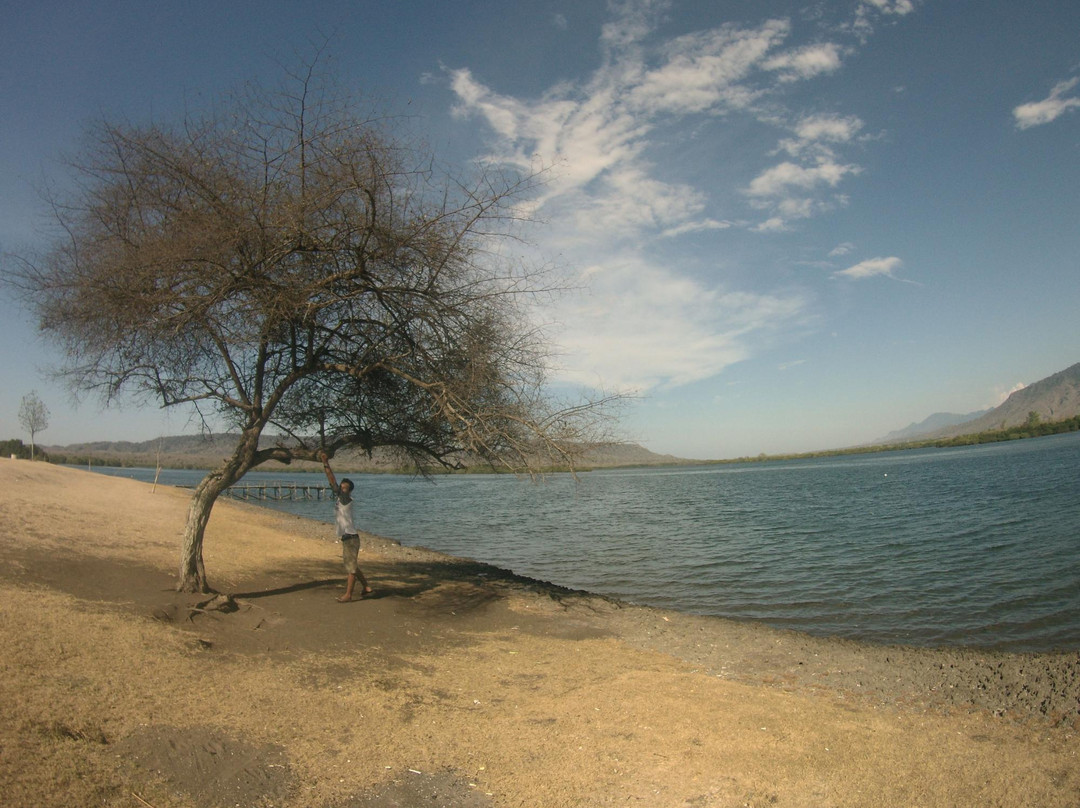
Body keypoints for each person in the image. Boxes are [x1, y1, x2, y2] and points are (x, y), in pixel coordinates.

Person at [319, 451, 373, 602]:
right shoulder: (341, 499)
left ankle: (348, 595)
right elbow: (334, 484)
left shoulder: (345, 498)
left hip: (351, 538)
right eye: (341, 487)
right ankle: (366, 587)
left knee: (351, 568)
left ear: (349, 490)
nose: (341, 488)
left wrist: (325, 463)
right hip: (348, 538)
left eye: (344, 487)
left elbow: (332, 481)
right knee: (352, 565)